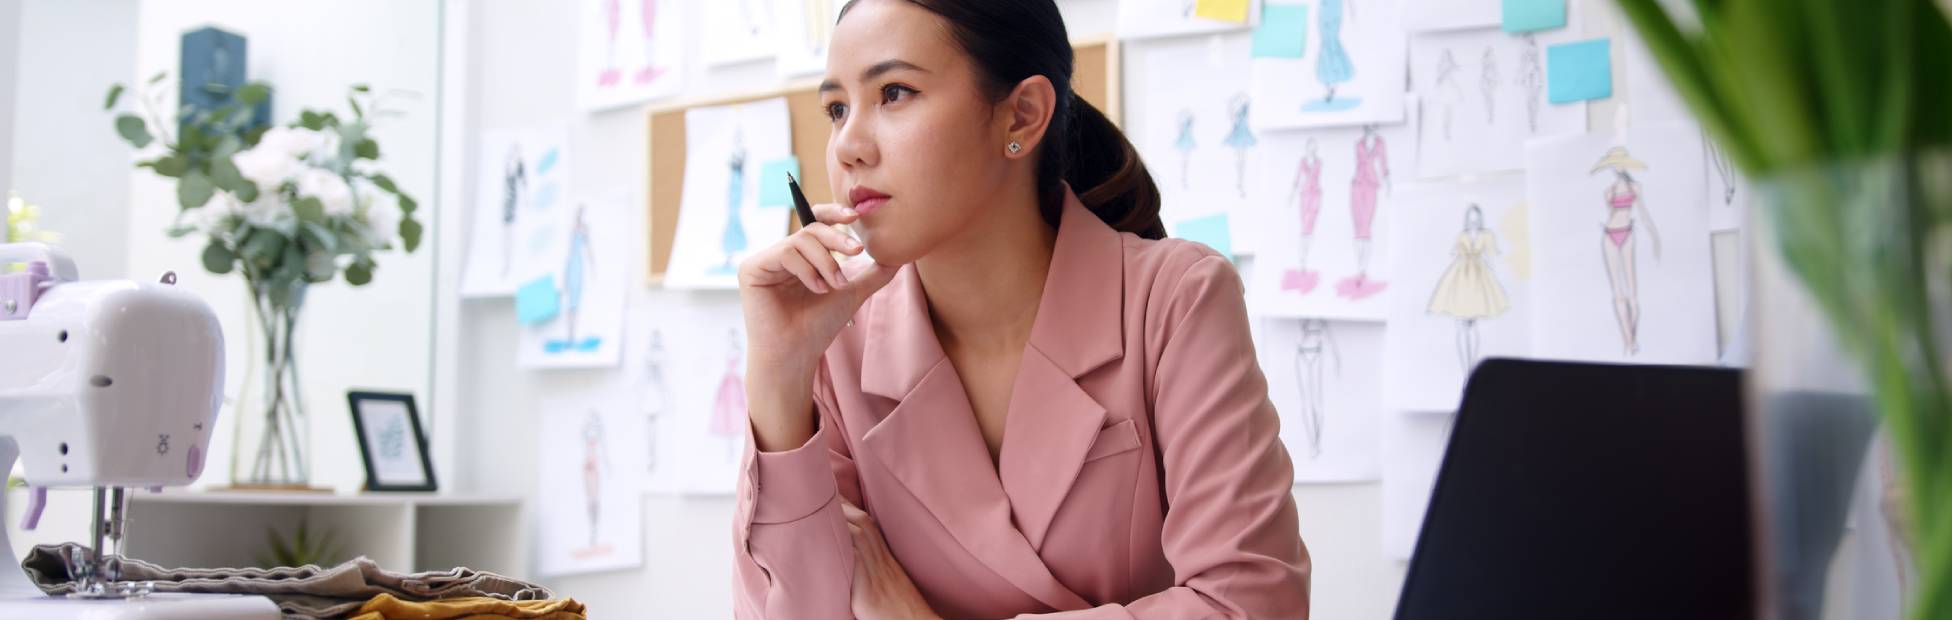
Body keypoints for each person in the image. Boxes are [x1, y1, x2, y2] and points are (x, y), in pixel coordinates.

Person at [730, 1, 1310, 618]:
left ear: (1022, 114)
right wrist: (777, 373)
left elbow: (1251, 602)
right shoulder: (834, 346)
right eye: (837, 109)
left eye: (894, 92)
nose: (847, 147)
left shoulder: (1174, 299)